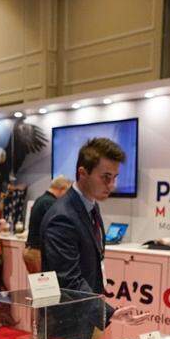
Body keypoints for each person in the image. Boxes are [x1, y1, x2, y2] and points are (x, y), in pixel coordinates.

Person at [41, 137, 125, 319]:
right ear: (82, 172)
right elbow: (69, 280)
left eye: (114, 178)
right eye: (105, 178)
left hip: (87, 314)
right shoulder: (62, 217)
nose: (112, 185)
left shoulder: (91, 206)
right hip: (66, 322)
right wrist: (108, 313)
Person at [24, 175, 71, 273]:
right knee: (44, 287)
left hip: (30, 250)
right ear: (62, 189)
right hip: (38, 252)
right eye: (67, 192)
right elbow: (57, 230)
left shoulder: (41, 199)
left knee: (37, 286)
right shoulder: (50, 203)